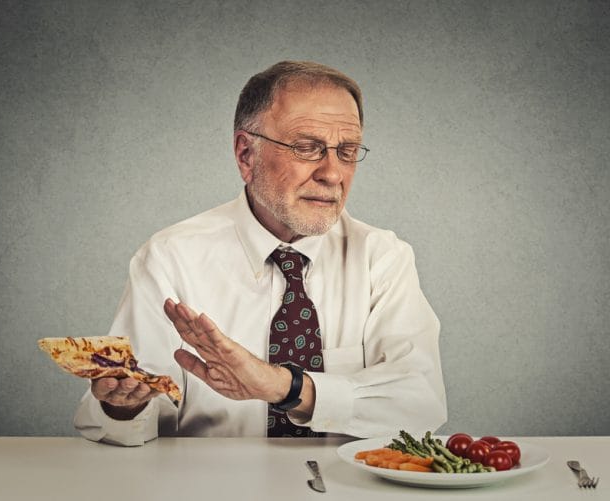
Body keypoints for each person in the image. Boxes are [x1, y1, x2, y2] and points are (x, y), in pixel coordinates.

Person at [74, 61, 447, 446]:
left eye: (347, 151)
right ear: (246, 155)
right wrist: (124, 408)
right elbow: (123, 421)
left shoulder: (382, 258)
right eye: (307, 148)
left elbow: (419, 404)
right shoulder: (170, 258)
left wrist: (282, 387)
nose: (333, 174)